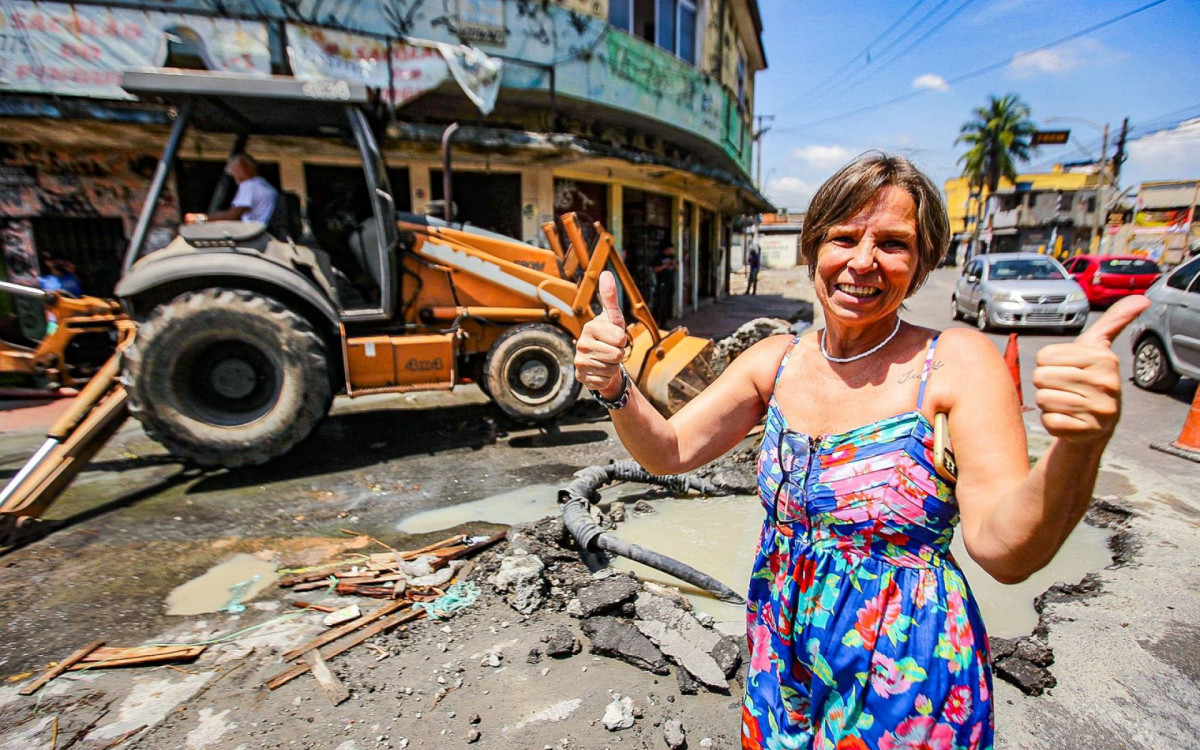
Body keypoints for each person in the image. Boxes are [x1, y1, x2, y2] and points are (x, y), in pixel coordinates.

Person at [574, 152, 1148, 749]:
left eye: (894, 244)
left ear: (922, 261)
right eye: (844, 237)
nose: (863, 262)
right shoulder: (777, 360)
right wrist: (615, 385)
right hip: (780, 652)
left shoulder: (954, 364)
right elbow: (667, 452)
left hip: (906, 672)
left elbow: (1005, 552)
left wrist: (1079, 446)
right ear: (813, 248)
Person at [186, 153, 277, 225]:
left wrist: (200, 218)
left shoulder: (249, 186)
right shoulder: (264, 185)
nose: (232, 174)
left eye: (233, 170)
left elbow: (232, 216)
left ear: (243, 167)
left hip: (253, 233)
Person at [651, 243, 677, 325]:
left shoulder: (672, 257)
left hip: (670, 283)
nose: (672, 251)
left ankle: (664, 322)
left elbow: (677, 269)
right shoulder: (659, 257)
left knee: (667, 303)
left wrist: (673, 263)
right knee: (660, 303)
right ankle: (656, 321)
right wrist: (665, 266)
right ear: (666, 249)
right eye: (670, 249)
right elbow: (655, 270)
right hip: (662, 283)